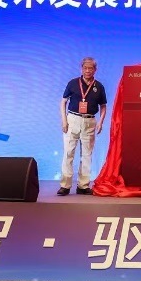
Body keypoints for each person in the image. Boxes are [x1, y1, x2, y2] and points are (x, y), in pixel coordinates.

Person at [58, 57, 107, 195]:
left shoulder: (99, 86)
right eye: (85, 68)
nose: (87, 71)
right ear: (81, 69)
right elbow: (63, 102)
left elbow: (103, 106)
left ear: (95, 70)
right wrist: (64, 121)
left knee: (87, 154)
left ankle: (83, 185)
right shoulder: (73, 83)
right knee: (68, 152)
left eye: (90, 68)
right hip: (72, 119)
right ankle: (65, 185)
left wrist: (101, 122)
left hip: (90, 121)